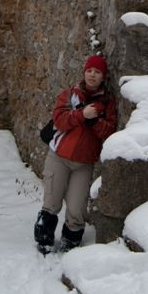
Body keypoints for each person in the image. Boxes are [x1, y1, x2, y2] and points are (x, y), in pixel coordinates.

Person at [34, 54, 117, 253]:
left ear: (103, 77)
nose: (92, 75)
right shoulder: (70, 94)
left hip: (83, 163)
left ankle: (70, 242)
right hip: (58, 158)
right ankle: (43, 239)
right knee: (52, 202)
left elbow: (109, 131)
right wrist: (81, 115)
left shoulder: (107, 103)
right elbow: (59, 119)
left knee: (76, 208)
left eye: (97, 72)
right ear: (84, 72)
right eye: (89, 71)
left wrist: (94, 121)